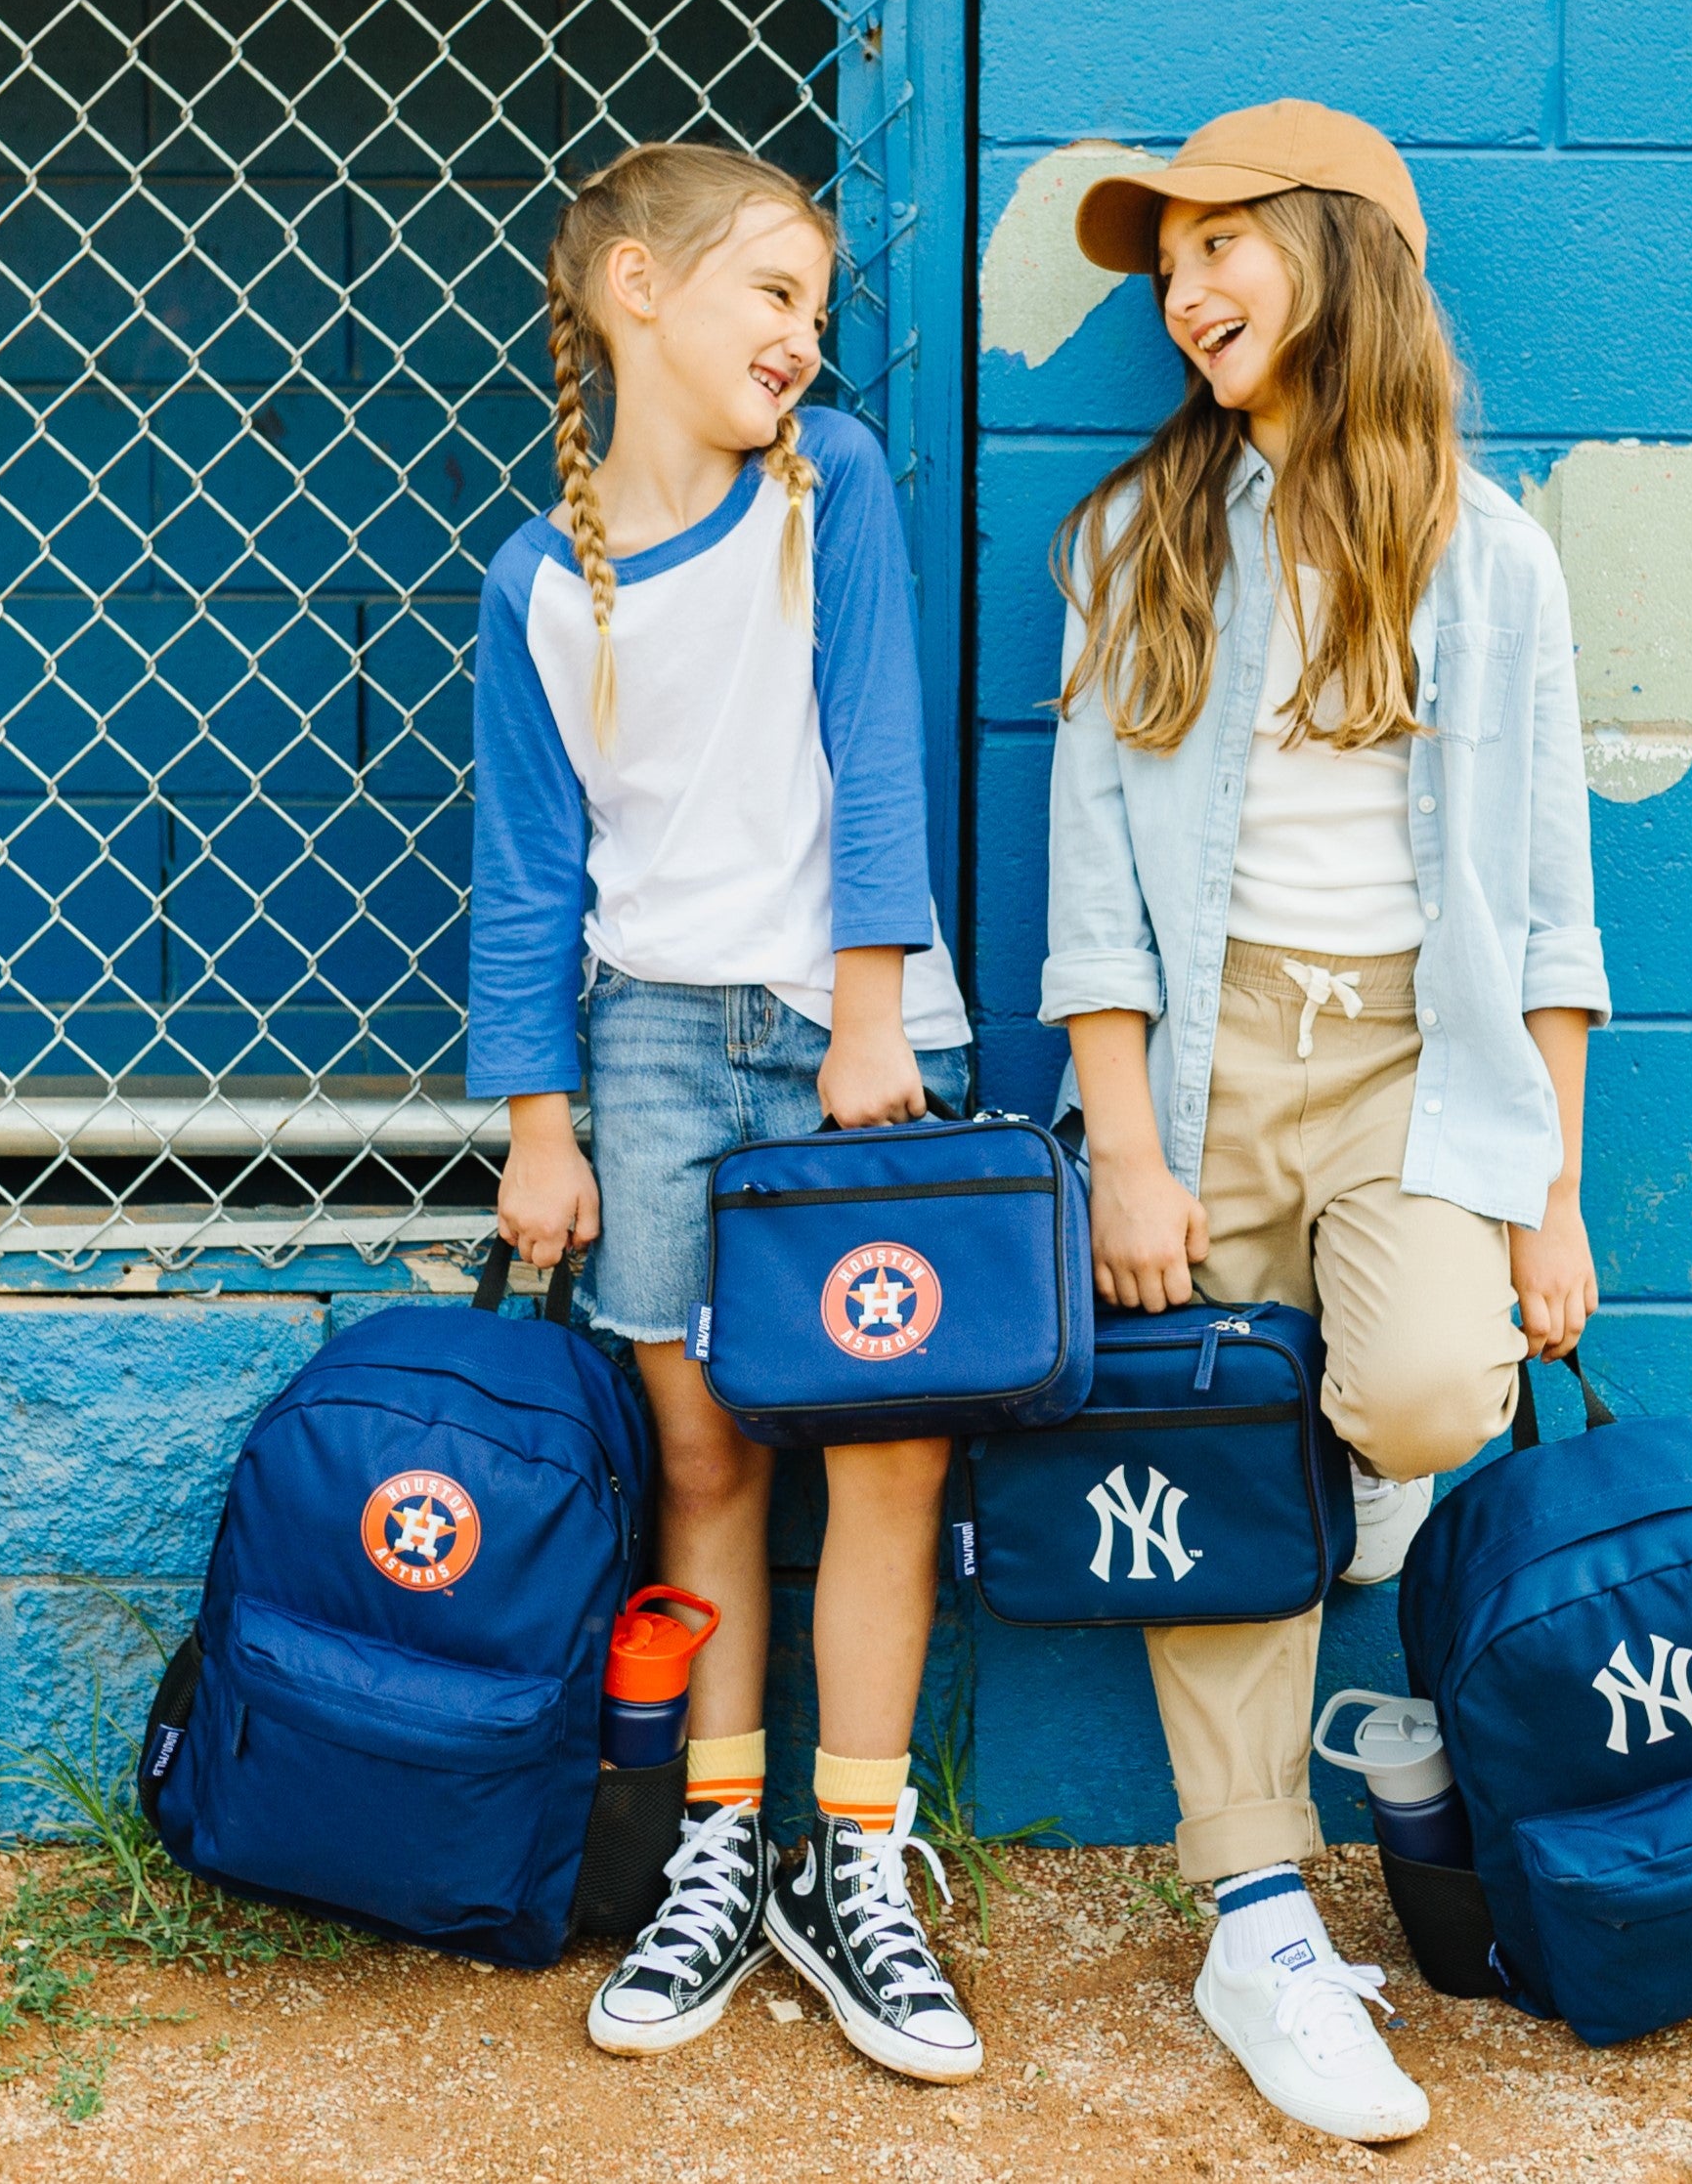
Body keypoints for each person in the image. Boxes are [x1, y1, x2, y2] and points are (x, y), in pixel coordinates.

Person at [1041, 100, 1609, 2143]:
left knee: (1426, 1396)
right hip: (1208, 1071)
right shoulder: (1138, 539)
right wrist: (1125, 1143)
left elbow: (1550, 900)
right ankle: (1258, 1908)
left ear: (1342, 255)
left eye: (1220, 244)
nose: (1183, 288)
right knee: (1210, 1467)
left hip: (1409, 1070)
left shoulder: (1495, 553)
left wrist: (1548, 1191)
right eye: (1164, 259)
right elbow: (1090, 884)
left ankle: (1331, 1468)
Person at [469, 142, 980, 2083]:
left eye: (818, 311)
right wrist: (539, 1116)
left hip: (851, 1039)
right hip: (656, 1050)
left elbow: (876, 744)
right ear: (635, 296)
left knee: (890, 1445)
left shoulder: (822, 486)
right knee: (703, 1464)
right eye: (771, 295)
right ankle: (715, 1843)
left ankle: (854, 1861)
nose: (801, 336)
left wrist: (868, 1015)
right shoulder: (540, 584)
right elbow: (530, 872)